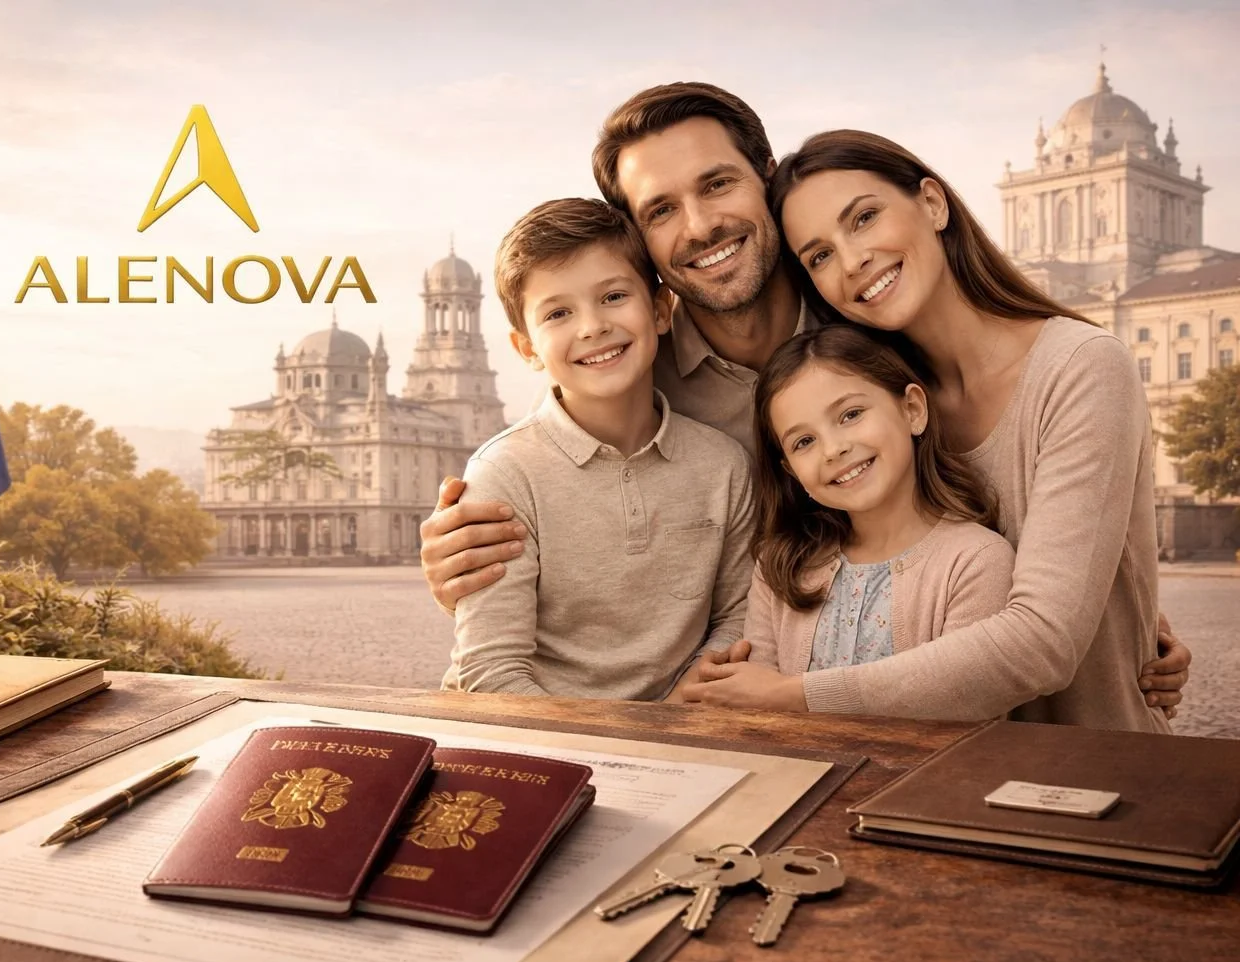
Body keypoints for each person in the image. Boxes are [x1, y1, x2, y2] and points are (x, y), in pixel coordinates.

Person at [418, 82, 1191, 718]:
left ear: (767, 178)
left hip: (1043, 741)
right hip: (835, 751)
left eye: (717, 184)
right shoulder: (635, 374)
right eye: (660, 210)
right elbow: (560, 472)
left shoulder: (876, 339)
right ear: (640, 242)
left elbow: (1042, 603)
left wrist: (1113, 609)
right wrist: (468, 552)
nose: (700, 225)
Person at [679, 128, 1169, 731]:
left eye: (864, 218)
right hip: (935, 768)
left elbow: (1046, 638)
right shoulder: (872, 399)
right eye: (820, 256)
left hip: (1084, 759)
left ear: (933, 204)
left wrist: (794, 694)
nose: (852, 261)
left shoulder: (1081, 367)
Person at [442, 197, 754, 700]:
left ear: (660, 310)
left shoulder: (724, 465)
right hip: (535, 736)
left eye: (613, 296)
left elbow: (736, 617)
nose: (591, 327)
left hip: (684, 727)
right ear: (528, 349)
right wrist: (619, 740)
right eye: (558, 313)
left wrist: (685, 704)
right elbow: (492, 673)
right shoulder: (504, 473)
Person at [733, 322, 1015, 717]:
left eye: (850, 414)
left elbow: (959, 704)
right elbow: (756, 707)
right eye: (804, 441)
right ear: (791, 471)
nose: (833, 449)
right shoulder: (780, 567)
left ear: (912, 410)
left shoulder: (975, 561)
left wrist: (798, 695)